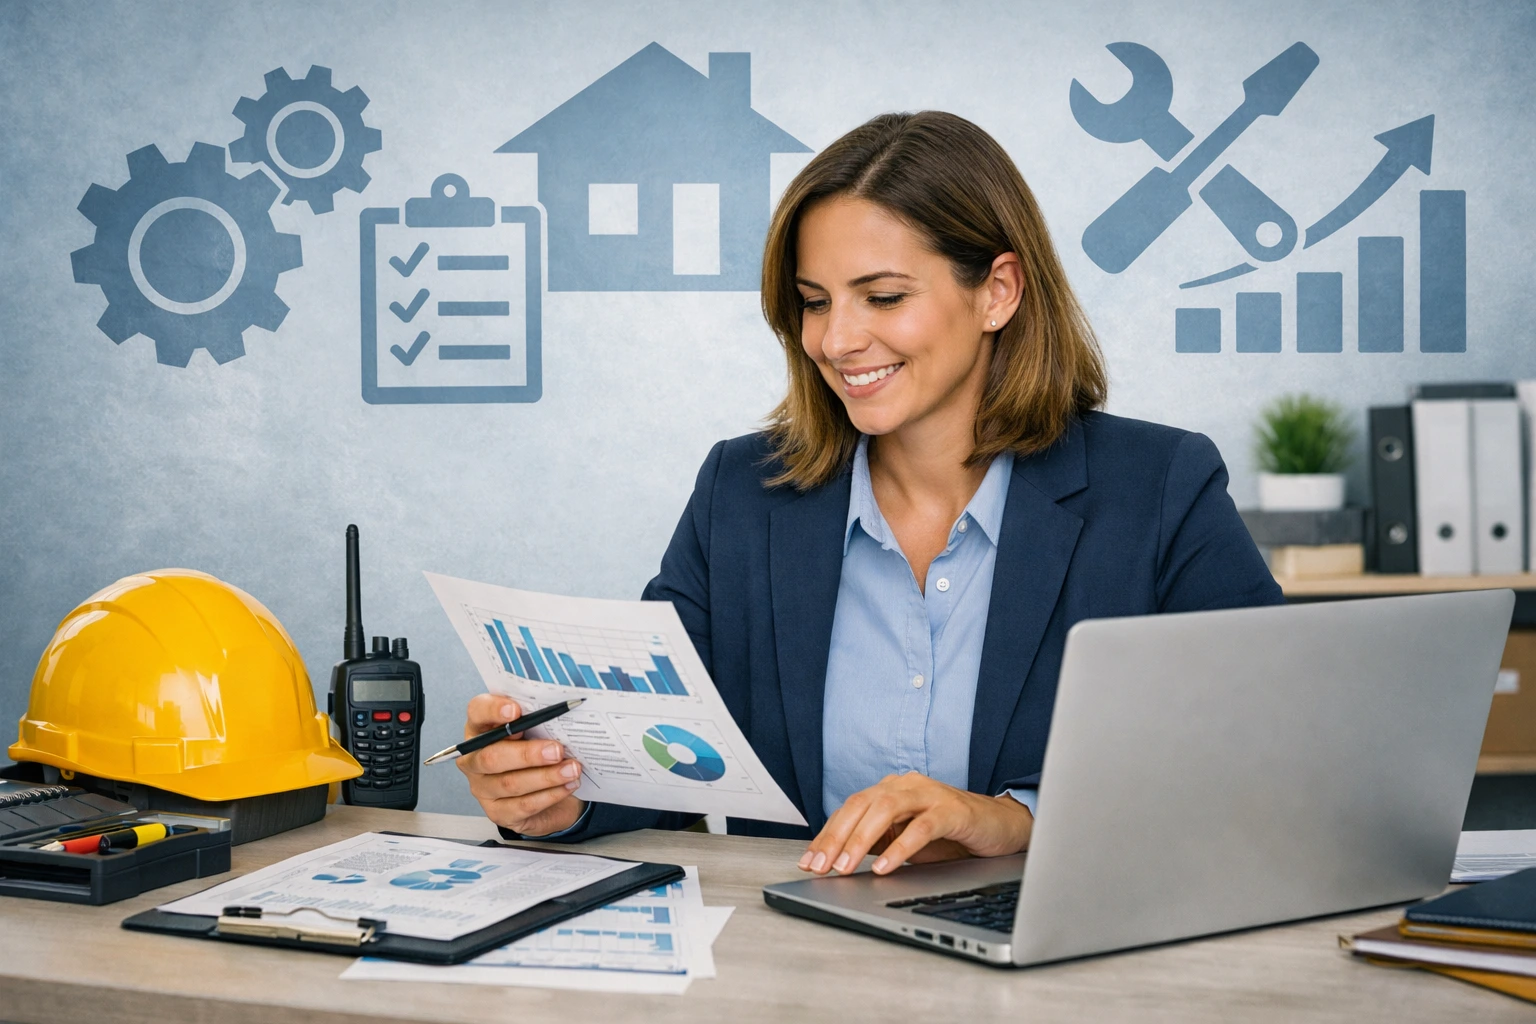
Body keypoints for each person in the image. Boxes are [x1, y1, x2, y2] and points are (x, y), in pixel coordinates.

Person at [459, 111, 1283, 877]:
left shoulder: (1158, 488)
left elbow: (1264, 760)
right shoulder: (741, 494)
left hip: (1056, 963)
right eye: (814, 303)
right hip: (801, 963)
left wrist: (1015, 819)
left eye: (883, 297)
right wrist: (554, 794)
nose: (837, 339)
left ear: (998, 290)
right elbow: (657, 762)